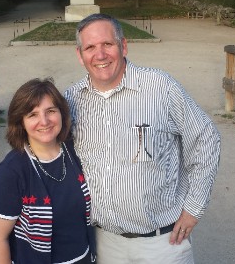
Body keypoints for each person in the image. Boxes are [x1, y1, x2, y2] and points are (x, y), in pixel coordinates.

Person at [64, 13, 221, 264]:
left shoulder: (160, 87)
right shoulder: (71, 100)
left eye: (108, 44)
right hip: (105, 244)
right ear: (80, 55)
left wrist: (194, 207)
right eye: (90, 47)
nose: (100, 55)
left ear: (123, 46)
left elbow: (206, 139)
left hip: (162, 244)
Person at [0, 78, 96, 264]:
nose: (44, 121)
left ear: (62, 113)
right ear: (20, 122)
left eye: (50, 111)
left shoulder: (75, 152)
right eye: (32, 115)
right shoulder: (11, 172)